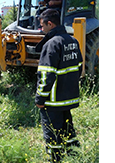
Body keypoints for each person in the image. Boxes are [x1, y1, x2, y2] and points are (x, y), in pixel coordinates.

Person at [34, 9, 83, 162]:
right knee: (68, 129)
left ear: (50, 24)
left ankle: (55, 159)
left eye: (42, 26)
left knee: (52, 132)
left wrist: (40, 99)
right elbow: (79, 66)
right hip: (68, 97)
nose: (41, 30)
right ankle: (74, 155)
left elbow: (46, 75)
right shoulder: (72, 40)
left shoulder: (51, 44)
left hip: (53, 100)